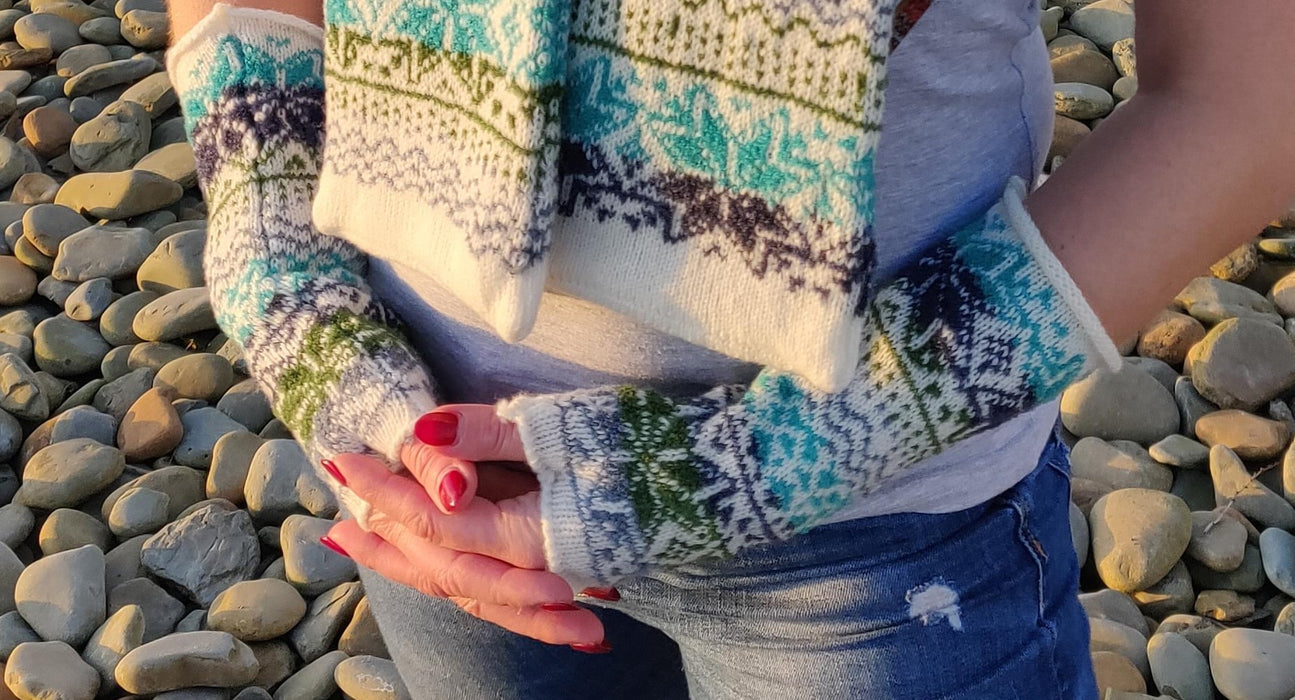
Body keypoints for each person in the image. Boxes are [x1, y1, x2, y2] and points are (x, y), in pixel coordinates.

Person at [166, 0, 1295, 696]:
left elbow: (1245, 96)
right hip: (428, 488)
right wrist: (295, 303)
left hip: (875, 542)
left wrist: (764, 461)